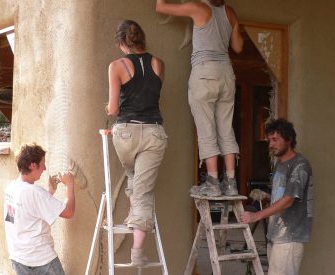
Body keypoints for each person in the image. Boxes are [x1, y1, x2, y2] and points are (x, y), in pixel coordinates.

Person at [156, 0, 243, 196]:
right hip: (226, 73)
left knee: (206, 128)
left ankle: (212, 182)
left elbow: (160, 7)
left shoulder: (198, 7)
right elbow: (237, 46)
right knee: (226, 128)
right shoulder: (230, 12)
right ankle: (230, 182)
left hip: (205, 71)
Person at [106, 20, 167, 266]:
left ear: (122, 43)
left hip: (126, 134)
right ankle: (138, 250)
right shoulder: (158, 63)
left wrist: (109, 108)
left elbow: (113, 108)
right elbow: (150, 94)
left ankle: (136, 249)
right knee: (142, 189)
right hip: (153, 132)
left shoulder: (116, 66)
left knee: (136, 181)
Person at [240, 119, 313, 275]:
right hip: (275, 234)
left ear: (289, 139)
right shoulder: (280, 164)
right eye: (269, 140)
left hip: (289, 237)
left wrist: (256, 216)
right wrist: (265, 195)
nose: (270, 144)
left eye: (275, 140)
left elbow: (288, 200)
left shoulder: (300, 165)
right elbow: (280, 196)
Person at [4, 143, 75, 275]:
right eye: (42, 163)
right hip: (41, 259)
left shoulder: (11, 188)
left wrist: (50, 192)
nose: (45, 168)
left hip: (18, 258)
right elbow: (69, 212)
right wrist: (70, 185)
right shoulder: (35, 192)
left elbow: (27, 212)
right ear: (32, 165)